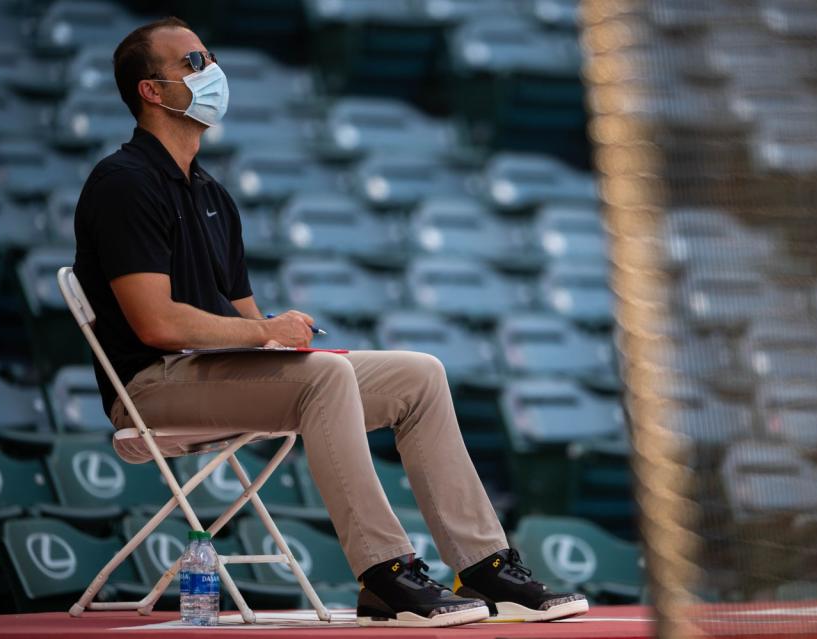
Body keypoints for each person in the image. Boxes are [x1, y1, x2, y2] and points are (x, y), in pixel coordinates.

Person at [73, 17, 588, 628]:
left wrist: (275, 339)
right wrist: (269, 333)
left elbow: (241, 318)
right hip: (151, 388)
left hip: (214, 376)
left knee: (418, 375)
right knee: (324, 380)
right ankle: (386, 574)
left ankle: (485, 565)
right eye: (193, 63)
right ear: (151, 93)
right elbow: (157, 324)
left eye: (210, 57)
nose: (212, 72)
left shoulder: (211, 192)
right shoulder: (123, 183)